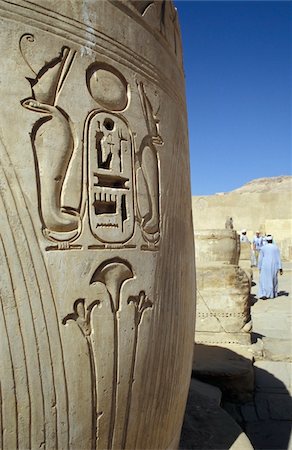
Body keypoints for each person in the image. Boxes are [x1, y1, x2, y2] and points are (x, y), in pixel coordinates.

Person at [258, 235, 283, 299]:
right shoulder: (275, 248)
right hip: (273, 265)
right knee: (273, 279)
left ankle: (264, 293)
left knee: (264, 279)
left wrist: (259, 267)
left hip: (265, 265)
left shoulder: (263, 248)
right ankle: (272, 294)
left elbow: (260, 258)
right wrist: (280, 268)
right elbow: (278, 258)